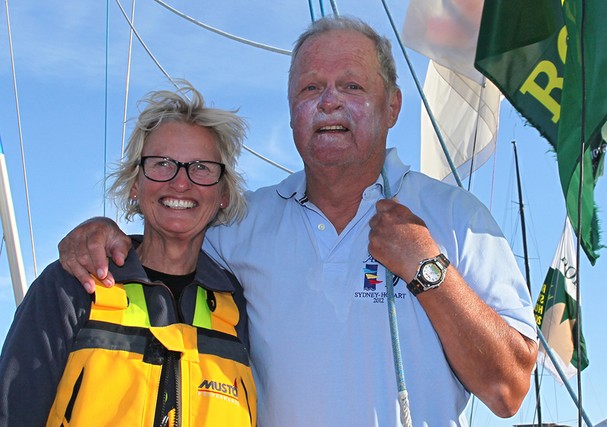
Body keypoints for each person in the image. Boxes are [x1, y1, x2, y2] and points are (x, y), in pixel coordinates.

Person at [56, 16, 538, 426]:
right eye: (311, 88)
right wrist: (103, 234)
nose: (329, 101)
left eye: (352, 85)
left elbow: (509, 390)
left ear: (392, 106)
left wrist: (429, 268)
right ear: (291, 113)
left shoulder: (458, 217)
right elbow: (168, 244)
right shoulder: (241, 224)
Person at [0, 83, 257, 426]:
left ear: (223, 194)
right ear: (135, 185)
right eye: (162, 163)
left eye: (201, 167)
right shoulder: (74, 286)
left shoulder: (238, 306)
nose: (181, 183)